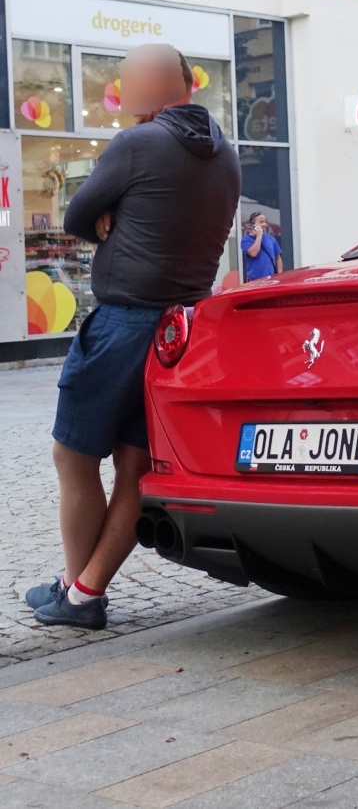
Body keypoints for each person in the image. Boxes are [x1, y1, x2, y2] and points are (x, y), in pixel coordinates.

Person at [24, 43, 240, 630]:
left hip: (123, 324)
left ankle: (78, 594)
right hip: (182, 330)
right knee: (134, 466)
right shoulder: (226, 154)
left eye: (126, 80)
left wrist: (106, 214)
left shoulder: (136, 145)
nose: (118, 90)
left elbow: (74, 219)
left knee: (72, 454)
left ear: (164, 85)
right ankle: (82, 586)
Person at [241, 212, 284, 281]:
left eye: (265, 222)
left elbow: (278, 258)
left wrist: (279, 274)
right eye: (261, 222)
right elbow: (253, 253)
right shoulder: (246, 240)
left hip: (271, 278)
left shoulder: (271, 239)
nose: (264, 224)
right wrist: (259, 236)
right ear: (253, 224)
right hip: (254, 280)